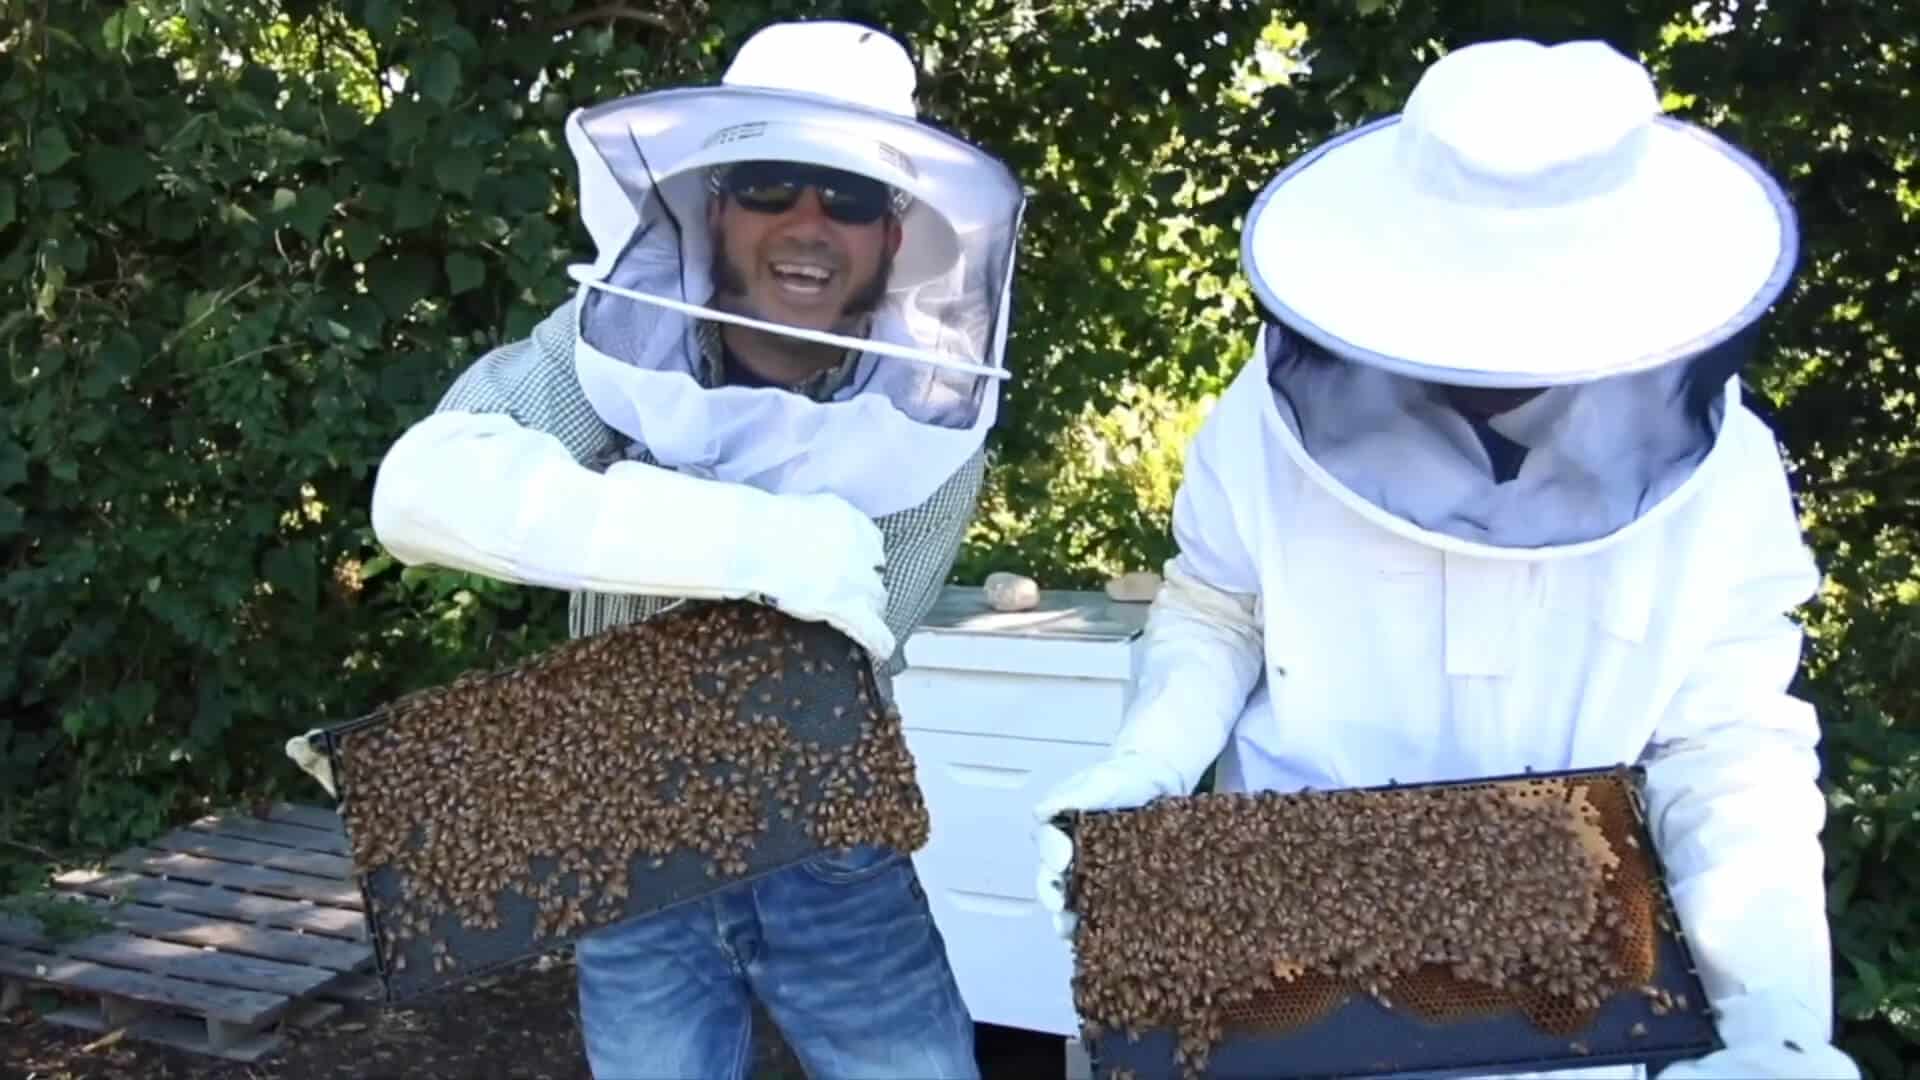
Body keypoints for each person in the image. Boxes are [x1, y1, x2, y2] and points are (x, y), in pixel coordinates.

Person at [1030, 38, 1859, 1080]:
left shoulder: (1727, 476)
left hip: (1573, 982)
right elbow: (1221, 608)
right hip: (1284, 946)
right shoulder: (1271, 412)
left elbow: (1726, 749)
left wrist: (1777, 1024)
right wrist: (1145, 762)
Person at [306, 19, 1024, 1080]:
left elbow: (817, 644)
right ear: (716, 201)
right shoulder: (612, 337)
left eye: (853, 197)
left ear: (895, 231)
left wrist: (613, 510)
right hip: (622, 822)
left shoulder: (932, 415)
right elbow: (421, 493)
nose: (809, 225)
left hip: (825, 822)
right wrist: (752, 536)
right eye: (774, 184)